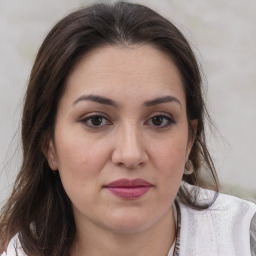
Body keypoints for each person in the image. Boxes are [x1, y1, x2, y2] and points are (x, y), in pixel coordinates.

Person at [0, 1, 255, 256]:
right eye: (96, 120)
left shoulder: (245, 240)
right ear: (49, 145)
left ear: (190, 139)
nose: (131, 155)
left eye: (159, 120)